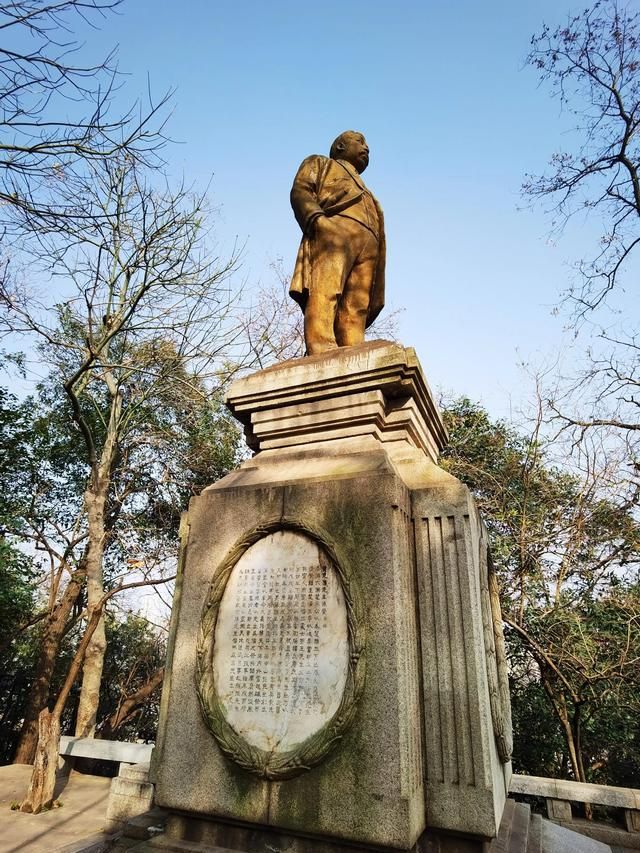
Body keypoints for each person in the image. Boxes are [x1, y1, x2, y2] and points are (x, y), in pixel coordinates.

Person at [289, 131, 386, 355]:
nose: (367, 148)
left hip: (369, 241)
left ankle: (353, 346)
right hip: (335, 231)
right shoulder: (320, 163)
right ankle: (321, 346)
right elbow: (300, 190)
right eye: (359, 141)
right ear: (340, 146)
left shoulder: (367, 191)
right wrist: (317, 220)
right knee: (326, 288)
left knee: (357, 302)